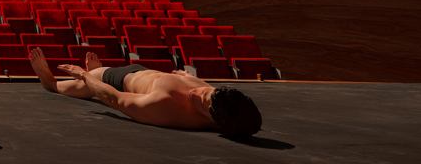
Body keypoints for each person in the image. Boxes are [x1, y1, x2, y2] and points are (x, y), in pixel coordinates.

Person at [29, 47, 263, 137]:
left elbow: (116, 99)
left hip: (117, 80)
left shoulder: (163, 107)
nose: (197, 93)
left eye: (201, 102)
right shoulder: (218, 98)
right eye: (205, 92)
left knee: (58, 86)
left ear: (214, 121)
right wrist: (189, 78)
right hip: (146, 73)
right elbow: (205, 89)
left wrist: (86, 76)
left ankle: (47, 79)